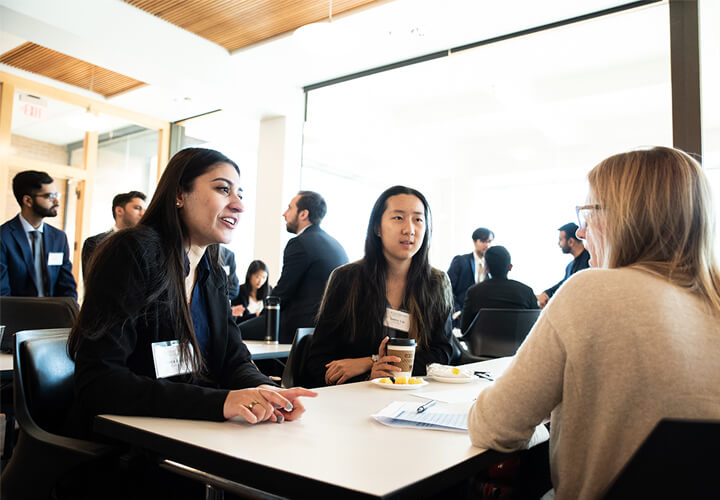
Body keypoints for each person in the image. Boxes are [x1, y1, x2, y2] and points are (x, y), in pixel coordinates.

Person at [468, 147, 720, 499]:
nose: (583, 234)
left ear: (626, 217)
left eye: (587, 214)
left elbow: (495, 427)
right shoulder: (713, 300)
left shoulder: (591, 290)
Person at [67, 148, 316, 444]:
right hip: (129, 445)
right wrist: (221, 403)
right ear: (179, 194)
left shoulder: (212, 268)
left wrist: (266, 391)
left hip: (193, 433)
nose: (238, 205)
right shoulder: (133, 252)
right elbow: (99, 383)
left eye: (240, 194)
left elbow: (233, 360)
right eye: (223, 189)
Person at [305, 185, 454, 388]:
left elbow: (442, 353)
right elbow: (319, 362)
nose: (409, 229)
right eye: (398, 218)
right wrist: (368, 376)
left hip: (415, 396)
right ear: (377, 228)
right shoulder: (346, 279)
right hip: (354, 398)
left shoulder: (437, 283)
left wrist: (373, 362)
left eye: (418, 219)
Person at [239, 191, 348, 344]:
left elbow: (283, 292)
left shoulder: (300, 243)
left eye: (289, 208)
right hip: (327, 328)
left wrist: (263, 314)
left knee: (233, 332)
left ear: (303, 214)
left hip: (297, 326)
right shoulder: (337, 246)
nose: (284, 214)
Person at [0, 170, 77, 300]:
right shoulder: (3, 237)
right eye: (50, 196)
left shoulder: (59, 238)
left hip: (53, 317)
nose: (57, 202)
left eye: (57, 195)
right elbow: (2, 293)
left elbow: (67, 287)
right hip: (16, 317)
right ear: (28, 201)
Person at [460, 245, 537, 333]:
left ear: (486, 268)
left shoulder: (474, 292)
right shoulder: (527, 292)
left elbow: (464, 329)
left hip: (483, 346)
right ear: (510, 267)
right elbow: (537, 325)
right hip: (519, 345)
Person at [81, 190, 146, 276]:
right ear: (119, 211)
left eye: (144, 209)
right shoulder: (95, 243)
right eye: (137, 208)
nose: (142, 213)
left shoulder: (145, 244)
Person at [536, 222, 590, 308]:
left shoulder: (590, 261)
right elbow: (564, 284)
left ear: (571, 242)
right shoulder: (570, 266)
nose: (558, 244)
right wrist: (547, 293)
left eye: (560, 240)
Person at [447, 227, 494, 325]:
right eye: (483, 241)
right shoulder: (460, 261)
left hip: (483, 318)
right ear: (474, 241)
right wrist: (457, 311)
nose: (487, 245)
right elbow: (447, 289)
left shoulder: (493, 265)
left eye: (489, 241)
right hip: (460, 315)